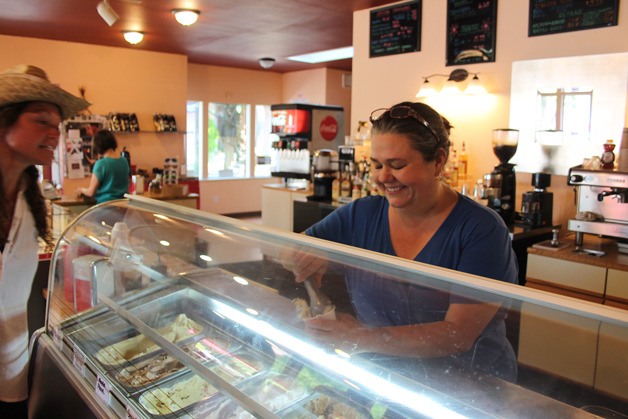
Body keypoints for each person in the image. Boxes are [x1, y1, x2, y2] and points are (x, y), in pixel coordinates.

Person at [283, 101, 519, 382]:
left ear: (439, 161)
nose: (383, 177)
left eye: (398, 165)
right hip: (386, 377)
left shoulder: (481, 230)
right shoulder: (361, 214)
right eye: (378, 165)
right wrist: (301, 258)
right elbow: (292, 248)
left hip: (470, 387)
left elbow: (457, 335)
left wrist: (358, 335)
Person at [0, 64, 89, 418]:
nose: (54, 133)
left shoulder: (26, 198)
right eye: (41, 121)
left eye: (57, 125)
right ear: (5, 121)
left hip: (12, 366)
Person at [76, 129, 129, 204]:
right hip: (123, 206)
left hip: (106, 207)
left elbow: (91, 192)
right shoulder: (124, 161)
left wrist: (81, 190)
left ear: (98, 146)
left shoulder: (101, 164)